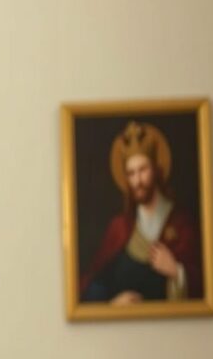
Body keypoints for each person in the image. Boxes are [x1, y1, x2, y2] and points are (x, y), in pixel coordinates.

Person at [80, 121, 202, 304]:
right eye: (131, 173)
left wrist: (177, 271)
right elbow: (94, 285)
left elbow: (206, 286)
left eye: (143, 170)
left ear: (156, 170)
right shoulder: (120, 226)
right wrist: (114, 304)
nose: (137, 181)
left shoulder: (181, 223)